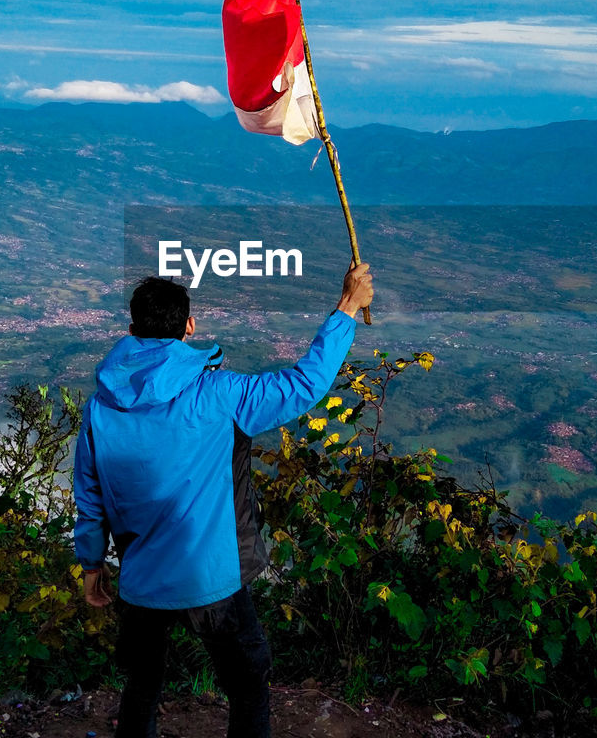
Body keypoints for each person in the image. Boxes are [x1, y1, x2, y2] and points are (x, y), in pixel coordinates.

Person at [73, 262, 374, 738]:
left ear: (131, 331)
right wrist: (347, 309)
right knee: (249, 683)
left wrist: (92, 567)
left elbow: (89, 499)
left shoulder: (99, 407)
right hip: (210, 573)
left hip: (140, 578)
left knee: (143, 685)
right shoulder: (218, 392)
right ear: (189, 327)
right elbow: (303, 385)